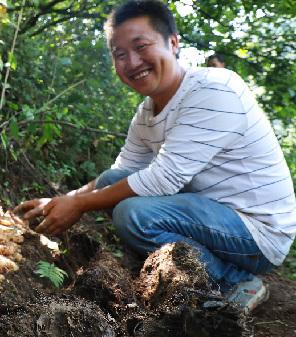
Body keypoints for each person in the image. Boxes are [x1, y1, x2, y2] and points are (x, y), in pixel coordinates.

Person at [15, 0, 296, 314]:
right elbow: (123, 170)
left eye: (141, 46)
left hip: (256, 231)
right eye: (120, 54)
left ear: (173, 43)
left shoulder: (214, 89)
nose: (132, 62)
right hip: (209, 214)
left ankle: (236, 280)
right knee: (110, 182)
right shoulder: (147, 112)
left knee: (133, 215)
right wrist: (62, 199)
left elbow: (165, 176)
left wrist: (79, 205)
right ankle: (161, 268)